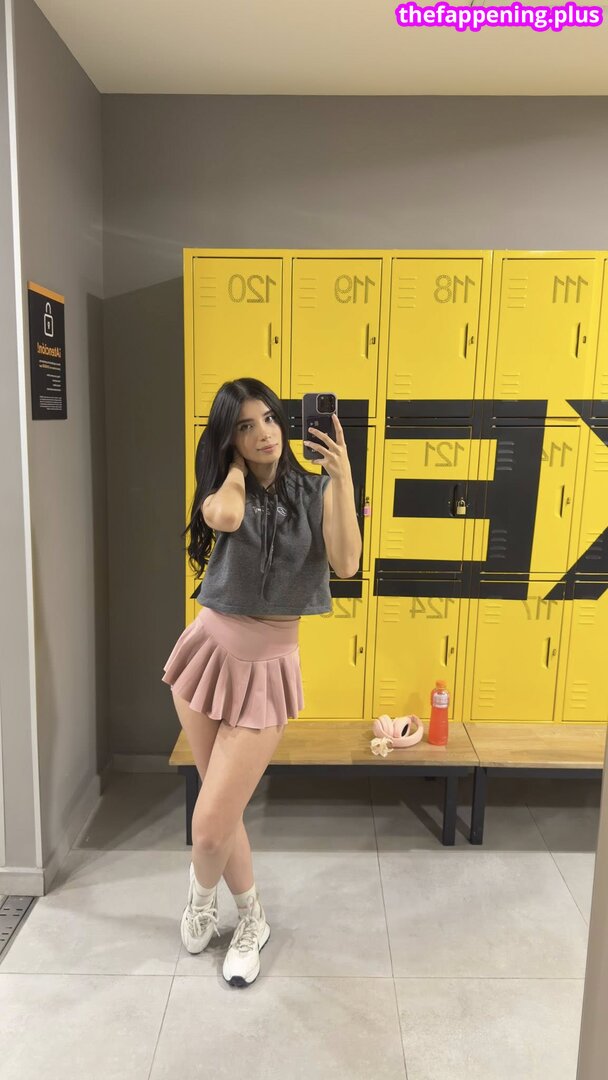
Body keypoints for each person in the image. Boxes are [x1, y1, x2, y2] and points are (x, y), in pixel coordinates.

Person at [161, 377, 362, 987]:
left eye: (269, 418)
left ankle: (206, 901)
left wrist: (343, 477)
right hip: (208, 651)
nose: (264, 433)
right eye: (245, 427)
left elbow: (347, 562)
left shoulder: (317, 491)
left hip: (267, 669)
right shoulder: (226, 490)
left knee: (209, 826)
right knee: (224, 809)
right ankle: (249, 916)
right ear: (231, 439)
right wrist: (233, 469)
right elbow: (224, 516)